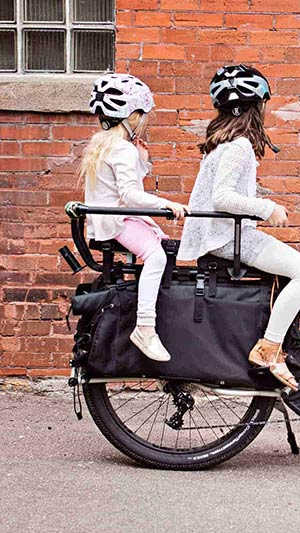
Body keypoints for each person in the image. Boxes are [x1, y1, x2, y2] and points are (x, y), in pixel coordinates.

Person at [178, 65, 300, 390]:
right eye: (263, 103)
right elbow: (222, 197)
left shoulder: (224, 145)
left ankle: (280, 344)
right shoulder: (239, 146)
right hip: (230, 239)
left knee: (292, 272)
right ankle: (269, 348)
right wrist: (267, 208)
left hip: (225, 236)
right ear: (254, 107)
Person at [82, 74, 189, 362]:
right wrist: (167, 203)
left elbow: (119, 188)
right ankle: (145, 326)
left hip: (109, 220)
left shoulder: (102, 144)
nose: (143, 121)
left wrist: (140, 159)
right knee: (156, 257)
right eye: (141, 115)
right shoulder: (121, 148)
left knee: (158, 247)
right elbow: (129, 195)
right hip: (120, 220)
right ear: (130, 115)